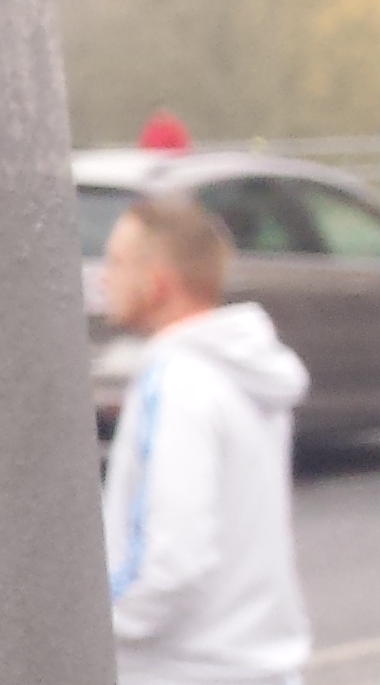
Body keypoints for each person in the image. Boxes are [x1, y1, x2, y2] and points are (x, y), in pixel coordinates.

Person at [101, 192, 311, 684]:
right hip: (257, 667)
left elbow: (172, 559)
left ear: (157, 282)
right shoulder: (244, 372)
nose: (103, 278)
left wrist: (97, 626)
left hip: (183, 671)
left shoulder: (174, 383)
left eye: (116, 262)